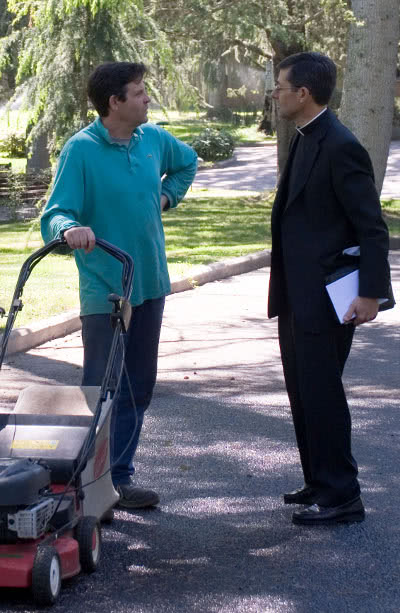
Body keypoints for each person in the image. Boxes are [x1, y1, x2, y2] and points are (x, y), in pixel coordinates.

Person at [41, 61, 197, 509]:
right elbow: (53, 213)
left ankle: (119, 479)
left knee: (138, 386)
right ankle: (83, 483)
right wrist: (70, 227)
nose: (147, 98)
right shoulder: (81, 150)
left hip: (150, 281)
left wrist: (168, 196)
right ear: (115, 102)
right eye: (139, 92)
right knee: (101, 386)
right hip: (106, 289)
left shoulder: (155, 141)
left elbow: (188, 163)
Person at [268, 52, 392, 526]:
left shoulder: (341, 145)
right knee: (303, 392)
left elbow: (371, 228)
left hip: (330, 296)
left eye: (281, 86)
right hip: (297, 294)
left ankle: (343, 496)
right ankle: (320, 480)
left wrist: (371, 294)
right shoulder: (305, 137)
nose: (275, 93)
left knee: (323, 394)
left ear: (303, 93)